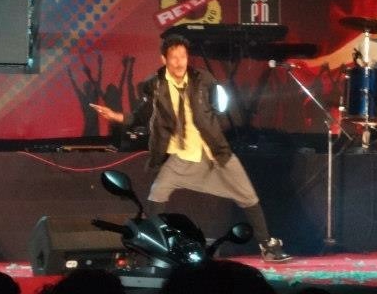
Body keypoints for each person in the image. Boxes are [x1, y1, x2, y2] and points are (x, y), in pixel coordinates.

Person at [90, 34, 292, 263]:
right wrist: (117, 117)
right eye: (174, 57)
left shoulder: (203, 79)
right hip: (183, 157)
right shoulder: (155, 85)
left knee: (249, 197)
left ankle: (267, 245)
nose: (179, 63)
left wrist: (215, 116)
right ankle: (155, 247)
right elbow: (140, 116)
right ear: (164, 59)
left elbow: (218, 104)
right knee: (158, 192)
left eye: (183, 57)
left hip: (215, 153)